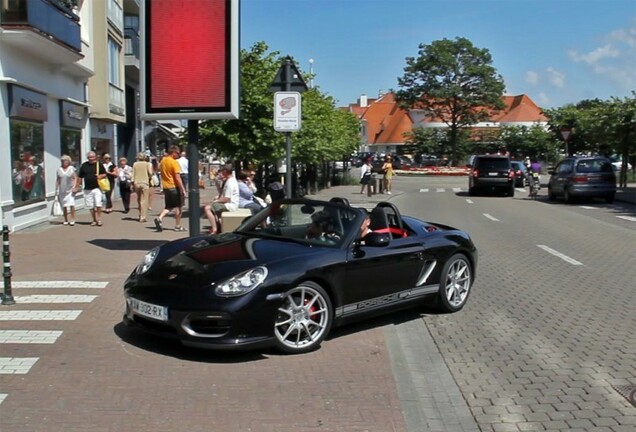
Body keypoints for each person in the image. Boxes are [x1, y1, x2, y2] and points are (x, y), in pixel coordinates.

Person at [154, 145, 187, 232]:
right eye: (178, 153)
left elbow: (157, 169)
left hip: (166, 187)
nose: (178, 155)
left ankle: (160, 218)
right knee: (179, 207)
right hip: (174, 187)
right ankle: (177, 226)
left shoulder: (163, 161)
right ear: (174, 152)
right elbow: (177, 177)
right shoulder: (174, 162)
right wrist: (183, 189)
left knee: (169, 206)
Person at [203, 163, 239, 234]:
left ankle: (214, 229)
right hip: (228, 203)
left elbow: (226, 198)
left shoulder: (230, 182)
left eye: (222, 171)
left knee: (207, 208)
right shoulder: (228, 180)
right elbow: (221, 193)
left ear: (225, 171)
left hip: (230, 205)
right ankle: (218, 226)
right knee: (213, 207)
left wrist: (215, 202)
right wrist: (217, 183)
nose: (221, 173)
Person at [75, 150, 107, 226]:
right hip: (87, 189)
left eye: (92, 157)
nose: (91, 158)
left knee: (98, 203)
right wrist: (76, 186)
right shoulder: (84, 165)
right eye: (89, 157)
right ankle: (94, 219)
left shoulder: (99, 165)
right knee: (90, 206)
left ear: (95, 157)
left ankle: (99, 219)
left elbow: (105, 174)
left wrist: (101, 176)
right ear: (87, 158)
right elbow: (80, 177)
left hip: (97, 187)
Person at [56, 155, 77, 226]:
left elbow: (74, 178)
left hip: (70, 189)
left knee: (71, 204)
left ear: (68, 161)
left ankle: (72, 219)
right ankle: (65, 219)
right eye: (63, 161)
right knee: (64, 205)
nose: (64, 162)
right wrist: (56, 189)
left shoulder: (71, 168)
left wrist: (74, 187)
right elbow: (58, 179)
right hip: (62, 190)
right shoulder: (59, 169)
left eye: (66, 160)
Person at [132, 152, 153, 223]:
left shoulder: (135, 164)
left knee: (139, 199)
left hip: (137, 183)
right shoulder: (146, 164)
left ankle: (140, 213)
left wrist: (132, 183)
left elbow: (133, 174)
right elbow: (150, 173)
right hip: (145, 183)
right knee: (144, 200)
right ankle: (142, 217)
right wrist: (150, 177)